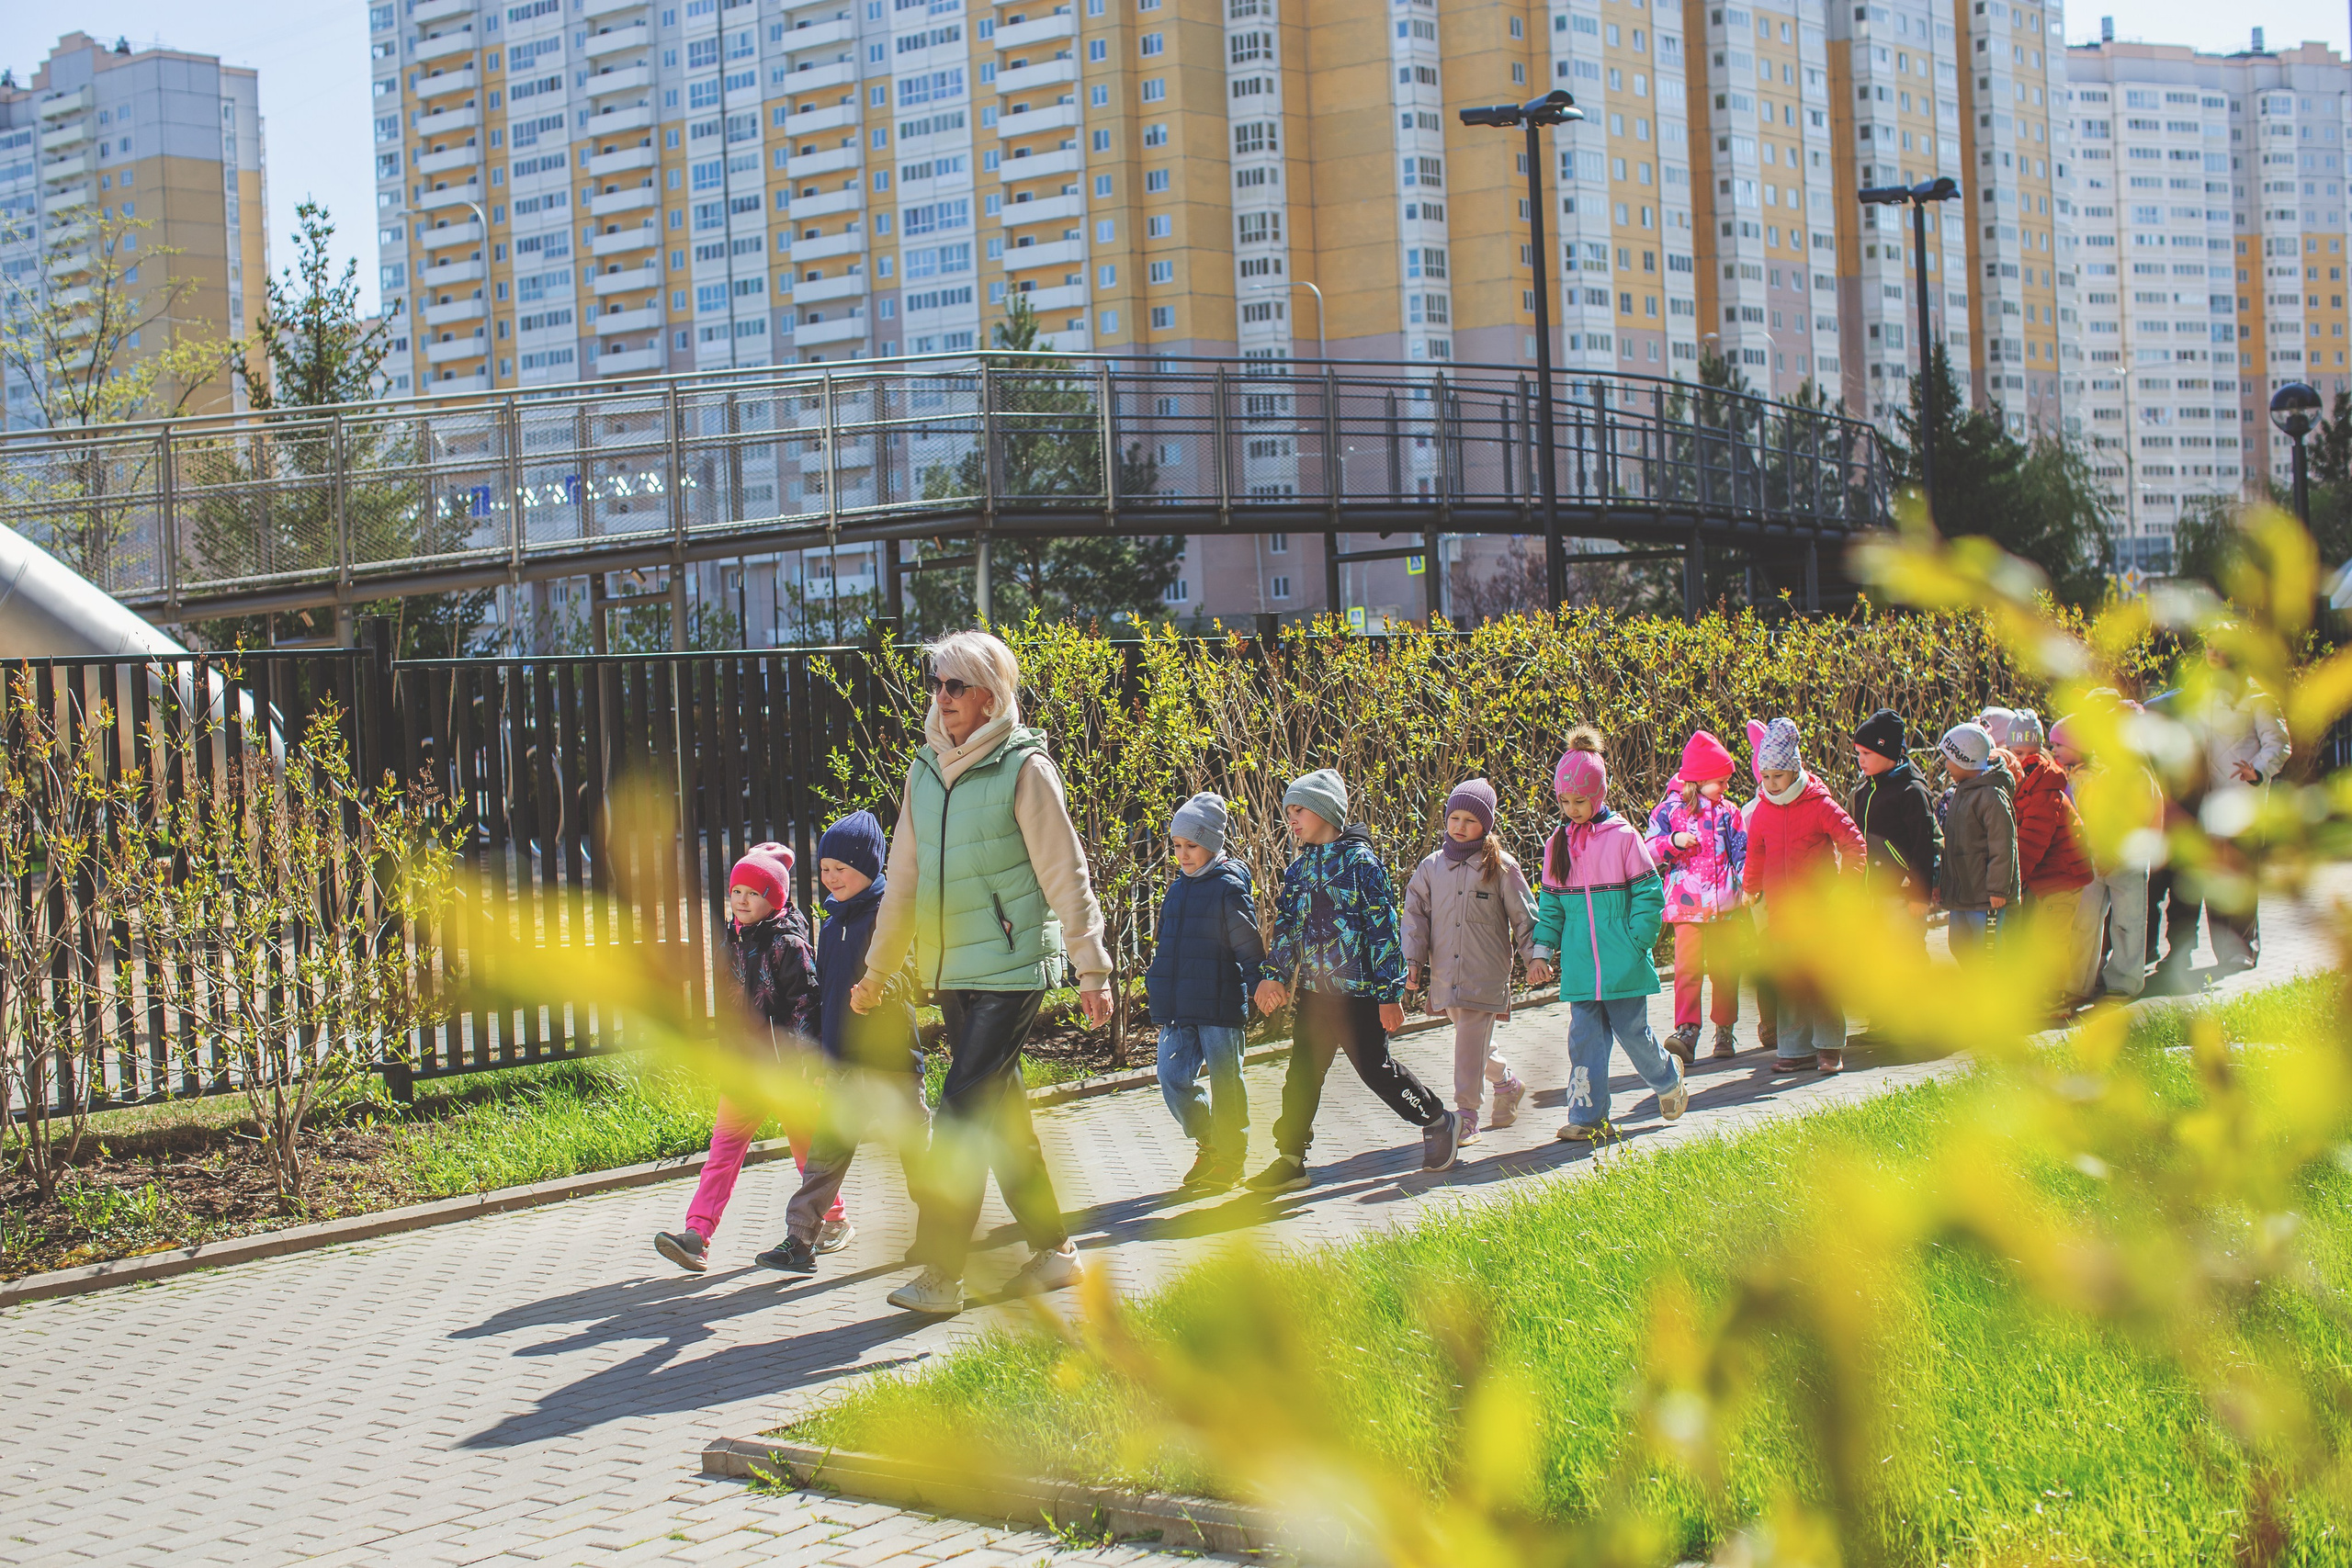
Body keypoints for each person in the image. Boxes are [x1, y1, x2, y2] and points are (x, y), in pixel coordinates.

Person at [851, 630, 1114, 1318]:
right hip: (953, 968)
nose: (942, 697)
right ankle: (1055, 1251)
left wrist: (1092, 966)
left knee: (962, 1115)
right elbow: (902, 880)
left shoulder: (1024, 768)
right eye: (936, 683)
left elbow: (1066, 871)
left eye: (956, 685)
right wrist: (877, 970)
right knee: (1001, 1119)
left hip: (1012, 966)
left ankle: (943, 1272)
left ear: (990, 696)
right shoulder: (925, 771)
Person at [1248, 767, 1458, 1194]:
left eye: (1299, 810)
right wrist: (1274, 976)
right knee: (1302, 1074)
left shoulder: (1362, 864)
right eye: (1289, 811)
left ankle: (1437, 1119)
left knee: (1376, 1071)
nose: (1291, 819)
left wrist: (1389, 995)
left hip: (1360, 997)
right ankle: (1291, 1159)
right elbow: (1288, 928)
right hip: (1315, 995)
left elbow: (1383, 931)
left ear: (1326, 811)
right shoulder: (1299, 870)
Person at [752, 810, 929, 1276]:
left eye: (841, 869)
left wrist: (879, 990)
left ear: (867, 868)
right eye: (825, 869)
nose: (831, 878)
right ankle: (799, 1240)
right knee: (824, 1157)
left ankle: (938, 1232)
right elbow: (821, 993)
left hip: (891, 1064)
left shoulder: (888, 916)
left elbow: (909, 975)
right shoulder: (831, 925)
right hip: (843, 1065)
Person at [653, 844, 821, 1273]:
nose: (742, 901)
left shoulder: (789, 944)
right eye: (736, 892)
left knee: (806, 1149)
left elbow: (806, 1006)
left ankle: (833, 1215)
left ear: (775, 898)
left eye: (753, 893)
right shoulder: (732, 940)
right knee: (723, 1152)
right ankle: (696, 1235)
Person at [1527, 729, 1690, 1138]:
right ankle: (1588, 1119)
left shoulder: (1623, 838)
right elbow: (1551, 907)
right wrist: (1541, 953)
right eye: (1564, 801)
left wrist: (1638, 942)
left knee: (1633, 1034)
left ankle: (1669, 1080)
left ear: (1598, 796)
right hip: (1581, 967)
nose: (1572, 809)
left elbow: (1649, 894)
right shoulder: (1557, 844)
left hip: (1623, 963)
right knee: (1584, 1041)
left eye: (1579, 801)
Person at [1403, 777, 1537, 1145]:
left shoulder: (1501, 867)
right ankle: (1507, 1084)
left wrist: (1535, 957)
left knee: (1468, 1043)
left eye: (1471, 820)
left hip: (1485, 975)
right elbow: (1414, 915)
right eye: (1455, 818)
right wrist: (1412, 961)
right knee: (1473, 1042)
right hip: (1446, 975)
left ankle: (1467, 1115)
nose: (1460, 826)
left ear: (1486, 825)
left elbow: (1525, 917)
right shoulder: (1431, 867)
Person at [1144, 791, 1264, 1193]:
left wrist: (1260, 983)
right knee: (1171, 1076)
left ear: (1211, 844)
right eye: (1177, 845)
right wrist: (1158, 989)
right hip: (1179, 1007)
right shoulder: (1178, 889)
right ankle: (1210, 1141)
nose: (1182, 854)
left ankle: (1231, 1159)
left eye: (1191, 846)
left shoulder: (1228, 886)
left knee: (1226, 1082)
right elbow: (1167, 946)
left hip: (1219, 1004)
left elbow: (1247, 943)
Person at [2157, 649, 2290, 978]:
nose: (2214, 653)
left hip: (2239, 800)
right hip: (2200, 802)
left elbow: (2279, 742)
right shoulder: (2202, 694)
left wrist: (2258, 769)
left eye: (2221, 648)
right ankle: (2198, 951)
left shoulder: (2258, 697)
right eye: (2210, 648)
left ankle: (2241, 950)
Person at [1744, 717, 1866, 1075]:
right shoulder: (1763, 810)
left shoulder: (1819, 804)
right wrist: (1750, 887)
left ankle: (1829, 1047)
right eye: (1765, 777)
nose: (1771, 783)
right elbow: (1756, 852)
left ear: (1794, 770)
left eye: (1778, 776)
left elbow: (1854, 843)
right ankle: (1794, 1049)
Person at [1645, 731, 1747, 1065]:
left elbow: (1742, 853)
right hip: (1686, 906)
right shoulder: (1669, 811)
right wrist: (1673, 841)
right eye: (1721, 781)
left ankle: (1724, 1028)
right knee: (1687, 970)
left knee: (1725, 969)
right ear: (1699, 778)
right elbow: (1647, 851)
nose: (1726, 787)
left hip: (1725, 907)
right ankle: (1687, 1031)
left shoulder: (1729, 812)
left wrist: (1748, 887)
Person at [2050, 713, 2157, 1003]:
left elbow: (2141, 816)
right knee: (2083, 923)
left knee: (2128, 923)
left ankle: (2124, 982)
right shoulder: (2076, 775)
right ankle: (2077, 983)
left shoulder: (2135, 775)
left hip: (2126, 860)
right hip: (2091, 860)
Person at [2007, 708, 2095, 1007]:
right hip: (2046, 877)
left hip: (2062, 877)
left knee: (2052, 939)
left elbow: (2032, 841)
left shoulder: (2043, 789)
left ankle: (2055, 998)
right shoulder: (2027, 784)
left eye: (2028, 753)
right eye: (2016, 753)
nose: (2022, 760)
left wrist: (2013, 880)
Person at [1848, 708, 1940, 951]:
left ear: (1887, 751)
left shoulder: (1912, 791)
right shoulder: (1863, 791)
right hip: (1870, 896)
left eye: (1867, 753)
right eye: (1858, 753)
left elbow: (1923, 845)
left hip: (1902, 897)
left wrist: (1920, 895)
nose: (1860, 760)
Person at [1937, 721, 2019, 966]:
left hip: (1986, 897)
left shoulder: (1991, 796)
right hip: (1963, 893)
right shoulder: (1960, 792)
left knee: (1988, 954)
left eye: (1950, 759)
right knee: (1959, 946)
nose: (1946, 765)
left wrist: (1998, 889)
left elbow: (2003, 846)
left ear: (1965, 759)